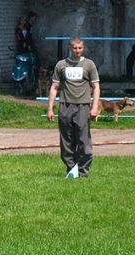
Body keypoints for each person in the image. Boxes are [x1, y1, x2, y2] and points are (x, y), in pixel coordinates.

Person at [47, 37, 100, 177]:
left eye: (80, 48)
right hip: (65, 106)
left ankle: (83, 171)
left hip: (83, 106)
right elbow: (54, 87)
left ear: (83, 48)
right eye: (75, 48)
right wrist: (50, 108)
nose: (77, 51)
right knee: (66, 140)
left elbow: (96, 87)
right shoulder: (61, 65)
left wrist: (94, 107)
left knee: (83, 140)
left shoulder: (89, 65)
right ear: (70, 48)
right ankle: (71, 170)